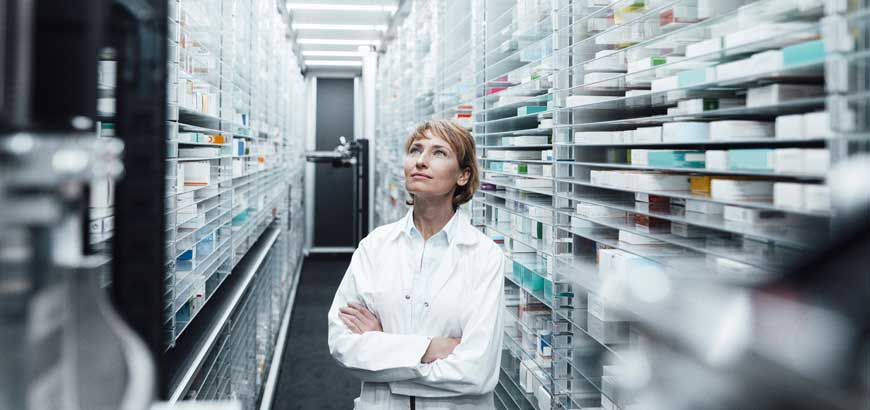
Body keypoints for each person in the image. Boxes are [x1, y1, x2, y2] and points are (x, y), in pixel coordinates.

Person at [327, 120, 505, 410]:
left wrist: (381, 347)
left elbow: (476, 373)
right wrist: (430, 348)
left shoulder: (484, 256)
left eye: (439, 153)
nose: (421, 161)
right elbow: (343, 346)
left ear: (463, 175)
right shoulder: (374, 247)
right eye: (415, 150)